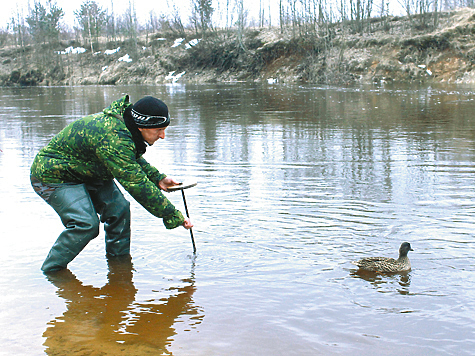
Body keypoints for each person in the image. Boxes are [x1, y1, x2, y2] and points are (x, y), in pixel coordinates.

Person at [30, 95, 193, 273]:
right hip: (54, 175)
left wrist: (158, 178)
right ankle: (52, 272)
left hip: (88, 170)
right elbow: (137, 184)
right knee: (86, 224)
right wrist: (173, 215)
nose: (162, 136)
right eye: (159, 130)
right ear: (141, 126)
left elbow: (130, 159)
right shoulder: (114, 137)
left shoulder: (125, 128)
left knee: (119, 209)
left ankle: (120, 269)